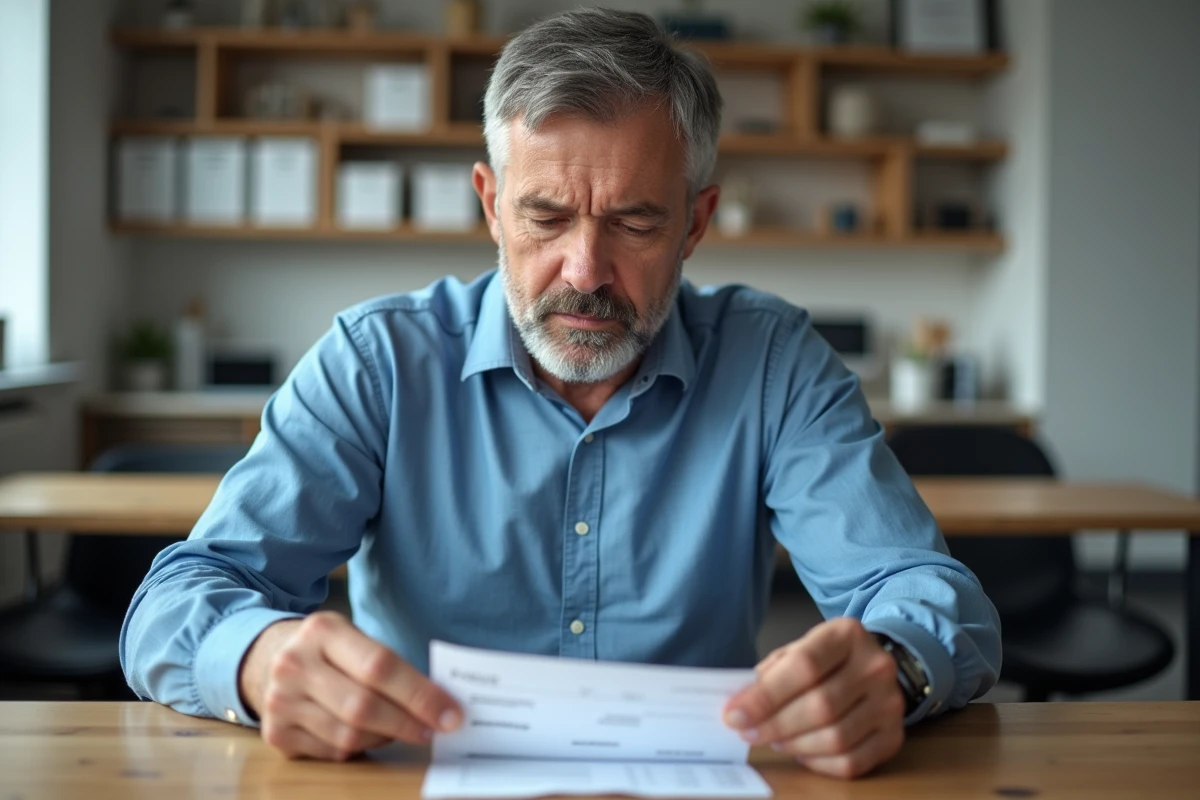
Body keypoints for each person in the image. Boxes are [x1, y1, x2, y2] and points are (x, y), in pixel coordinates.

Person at [121, 7, 1000, 780]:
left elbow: (925, 590)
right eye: (545, 218)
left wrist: (896, 666)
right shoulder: (377, 361)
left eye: (635, 221)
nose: (584, 271)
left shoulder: (772, 364)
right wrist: (256, 659)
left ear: (695, 222)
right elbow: (178, 600)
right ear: (491, 206)